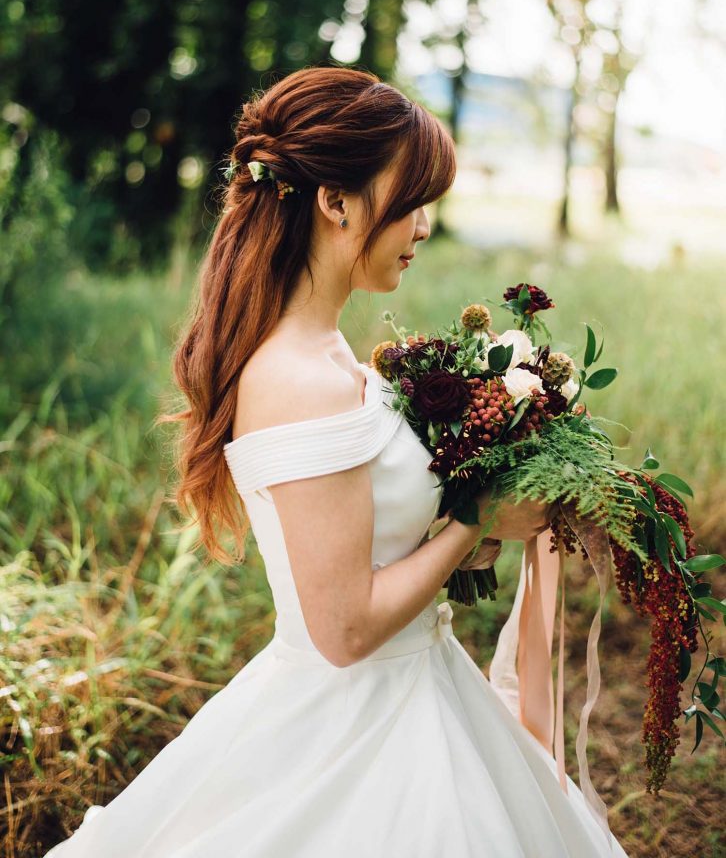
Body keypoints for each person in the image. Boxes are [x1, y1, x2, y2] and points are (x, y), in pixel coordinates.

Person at [44, 66, 629, 857]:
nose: (423, 227)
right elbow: (345, 630)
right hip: (358, 722)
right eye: (412, 201)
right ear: (336, 201)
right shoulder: (295, 378)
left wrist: (482, 509)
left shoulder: (330, 351)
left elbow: (372, 540)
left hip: (421, 682)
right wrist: (476, 517)